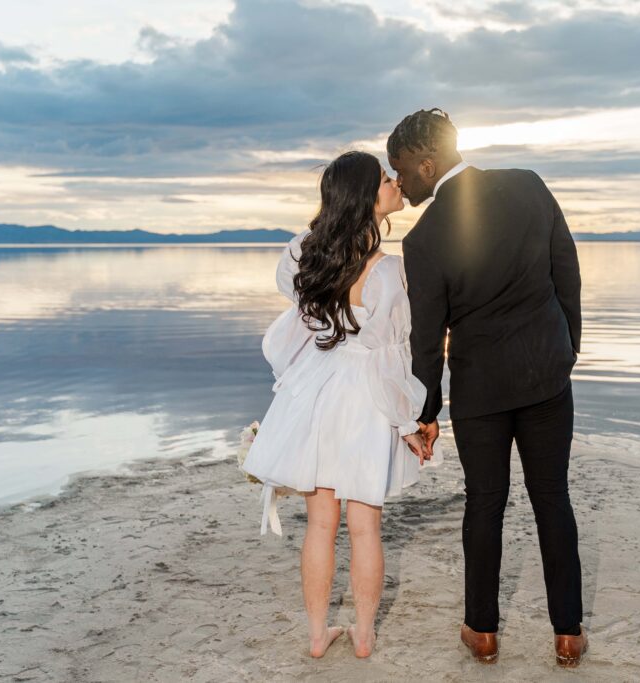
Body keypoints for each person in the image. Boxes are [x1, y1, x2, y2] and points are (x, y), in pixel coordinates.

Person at [388, 109, 588, 667]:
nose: (399, 184)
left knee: (485, 504)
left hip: (480, 390)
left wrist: (424, 412)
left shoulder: (424, 239)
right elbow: (566, 270)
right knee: (553, 498)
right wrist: (566, 348)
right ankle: (567, 633)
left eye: (402, 170)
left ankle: (482, 632)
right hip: (547, 374)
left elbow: (427, 340)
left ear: (428, 164)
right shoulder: (527, 185)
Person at [242, 150, 432, 659]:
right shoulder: (388, 272)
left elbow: (292, 295)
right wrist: (408, 422)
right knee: (365, 525)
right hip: (363, 396)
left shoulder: (307, 252)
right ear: (369, 196)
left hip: (315, 388)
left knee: (320, 525)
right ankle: (364, 637)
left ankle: (316, 637)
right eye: (386, 180)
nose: (395, 184)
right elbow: (393, 359)